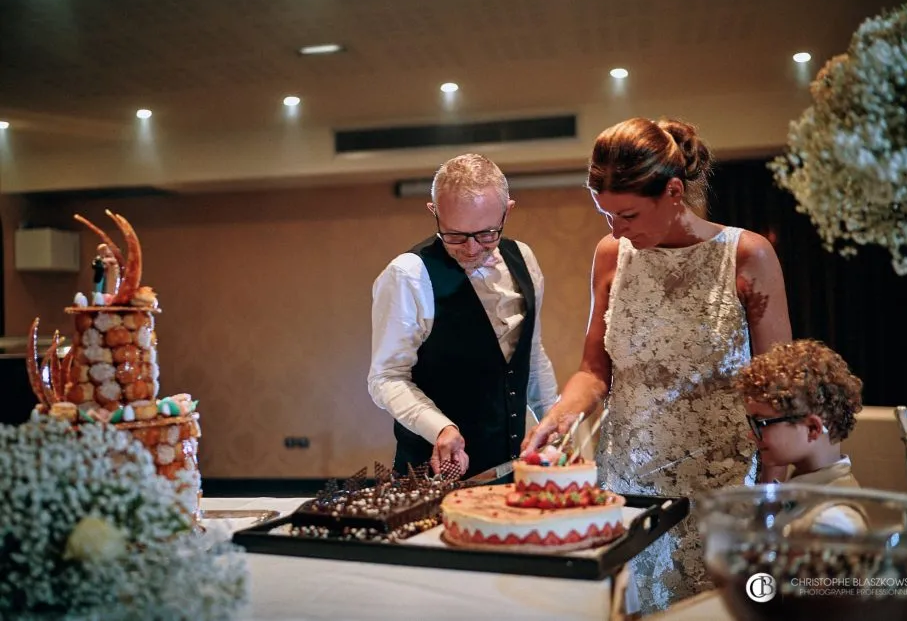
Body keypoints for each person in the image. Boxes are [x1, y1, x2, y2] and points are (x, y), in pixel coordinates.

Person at [521, 117, 792, 613]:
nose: (617, 230)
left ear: (673, 192)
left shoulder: (747, 255)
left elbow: (778, 390)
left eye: (627, 215)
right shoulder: (611, 255)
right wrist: (561, 414)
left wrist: (769, 497)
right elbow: (594, 370)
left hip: (723, 481)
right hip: (627, 479)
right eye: (606, 216)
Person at [369, 153, 558, 479]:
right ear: (435, 212)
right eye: (455, 235)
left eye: (486, 234)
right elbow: (386, 378)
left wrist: (553, 424)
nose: (471, 249)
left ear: (507, 211)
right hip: (435, 476)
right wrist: (440, 428)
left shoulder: (523, 258)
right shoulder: (408, 275)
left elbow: (532, 352)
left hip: (515, 469)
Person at [735, 339, 867, 534]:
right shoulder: (798, 491)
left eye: (760, 423)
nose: (750, 434)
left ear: (812, 428)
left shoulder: (831, 523)